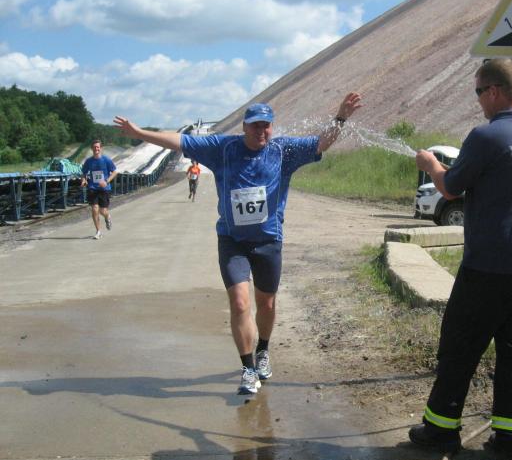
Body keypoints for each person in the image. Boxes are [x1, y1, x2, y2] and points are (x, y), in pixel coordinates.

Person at [113, 93, 362, 395]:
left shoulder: (283, 151)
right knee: (240, 302)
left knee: (266, 303)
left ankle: (263, 350)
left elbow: (321, 143)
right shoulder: (223, 148)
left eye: (266, 126)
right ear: (244, 127)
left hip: (268, 241)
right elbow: (180, 141)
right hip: (232, 241)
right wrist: (140, 133)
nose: (261, 131)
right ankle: (247, 369)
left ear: (272, 127)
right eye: (255, 126)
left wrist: (341, 117)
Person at [409, 58, 512, 460]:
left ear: (494, 92)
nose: (478, 101)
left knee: (459, 347)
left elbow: (450, 188)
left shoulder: (487, 136)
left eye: (479, 92)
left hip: (491, 267)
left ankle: (440, 431)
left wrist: (431, 165)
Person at [81, 138, 118, 240]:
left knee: (103, 211)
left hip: (104, 188)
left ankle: (107, 216)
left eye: (98, 147)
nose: (96, 149)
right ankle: (98, 231)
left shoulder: (106, 160)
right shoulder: (89, 161)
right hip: (93, 188)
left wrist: (106, 181)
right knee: (95, 209)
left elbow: (115, 172)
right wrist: (84, 180)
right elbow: (84, 173)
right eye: (94, 147)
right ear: (92, 148)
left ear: (101, 148)